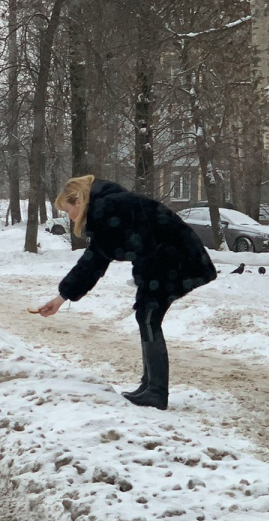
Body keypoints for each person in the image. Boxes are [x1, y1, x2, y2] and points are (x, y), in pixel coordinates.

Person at [35, 175, 216, 410]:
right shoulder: (109, 206)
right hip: (170, 260)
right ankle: (149, 385)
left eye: (68, 210)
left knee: (148, 317)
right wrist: (62, 297)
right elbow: (101, 256)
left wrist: (62, 297)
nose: (69, 217)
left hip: (176, 260)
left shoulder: (107, 208)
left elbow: (95, 260)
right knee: (146, 316)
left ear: (78, 201)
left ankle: (156, 392)